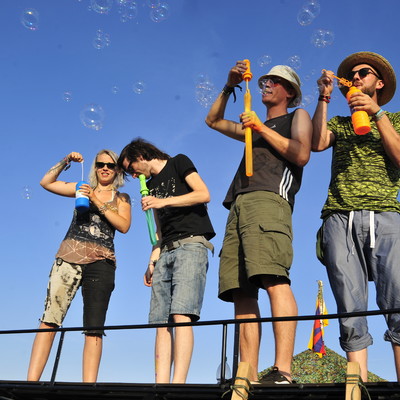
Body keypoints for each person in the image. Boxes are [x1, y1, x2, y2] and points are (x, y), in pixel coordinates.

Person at [205, 61, 312, 383]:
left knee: (273, 277)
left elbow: (302, 154)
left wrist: (261, 129)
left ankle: (283, 370)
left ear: (289, 91)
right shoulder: (253, 127)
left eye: (275, 82)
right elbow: (212, 120)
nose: (267, 85)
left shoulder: (297, 116)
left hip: (269, 200)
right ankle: (247, 373)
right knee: (241, 290)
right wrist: (229, 86)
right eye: (265, 81)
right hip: (238, 203)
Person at [312, 51, 400, 382]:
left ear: (380, 83)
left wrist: (377, 114)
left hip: (386, 216)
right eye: (352, 74)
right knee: (350, 310)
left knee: (398, 304)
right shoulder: (340, 123)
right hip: (339, 218)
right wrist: (323, 98)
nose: (356, 76)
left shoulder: (396, 119)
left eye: (364, 72)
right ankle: (358, 388)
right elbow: (317, 143)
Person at [27, 150, 131, 382]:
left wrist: (96, 200)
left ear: (117, 170)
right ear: (95, 167)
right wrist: (66, 161)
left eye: (110, 165)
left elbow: (124, 226)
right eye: (100, 164)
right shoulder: (82, 187)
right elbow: (46, 182)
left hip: (102, 263)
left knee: (94, 327)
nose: (105, 168)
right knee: (49, 320)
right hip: (68, 258)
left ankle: (88, 387)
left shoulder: (122, 198)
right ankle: (31, 383)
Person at [117, 138, 215, 383]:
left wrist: (163, 201)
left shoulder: (178, 162)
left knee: (182, 314)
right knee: (160, 322)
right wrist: (152, 260)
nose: (133, 175)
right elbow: (158, 231)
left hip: (191, 244)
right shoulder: (149, 185)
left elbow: (203, 194)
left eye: (132, 169)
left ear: (141, 156)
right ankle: (160, 384)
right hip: (165, 251)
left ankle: (178, 383)